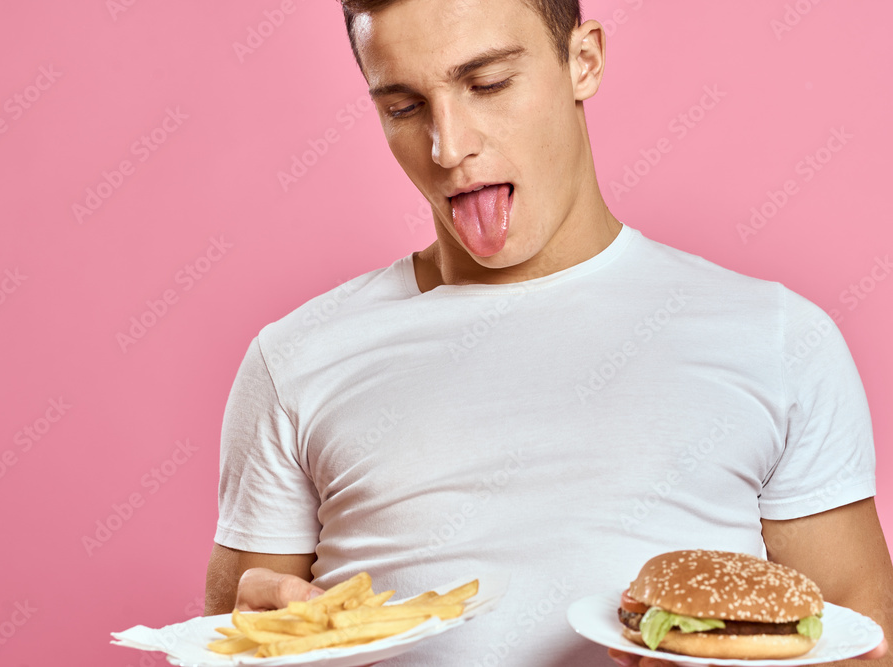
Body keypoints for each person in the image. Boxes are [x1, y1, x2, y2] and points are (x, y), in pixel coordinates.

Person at [205, 0, 893, 664]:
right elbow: (234, 634)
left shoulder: (779, 339)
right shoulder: (293, 362)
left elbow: (865, 643)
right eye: (404, 107)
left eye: (488, 83)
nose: (449, 146)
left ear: (583, 61)